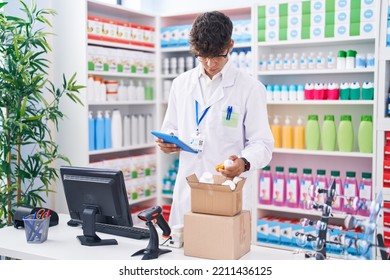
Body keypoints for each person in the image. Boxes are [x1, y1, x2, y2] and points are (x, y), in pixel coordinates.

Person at [156, 11, 274, 226]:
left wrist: (244, 163)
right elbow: (171, 127)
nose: (210, 63)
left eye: (217, 55)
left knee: (224, 254)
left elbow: (262, 144)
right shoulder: (181, 84)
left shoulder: (250, 88)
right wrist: (169, 141)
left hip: (227, 189)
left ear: (230, 45)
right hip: (188, 188)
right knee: (182, 252)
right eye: (202, 55)